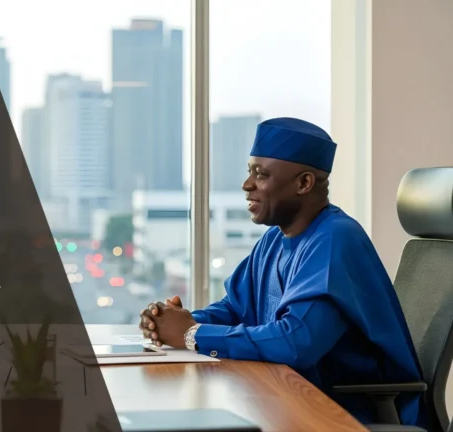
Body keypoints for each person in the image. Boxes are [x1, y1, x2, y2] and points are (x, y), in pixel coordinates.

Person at [139, 118, 425, 427]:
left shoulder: (335, 240)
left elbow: (295, 342)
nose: (246, 185)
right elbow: (236, 308)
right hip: (284, 398)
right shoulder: (275, 238)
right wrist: (173, 322)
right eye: (249, 171)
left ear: (303, 183)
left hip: (338, 410)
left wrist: (191, 335)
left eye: (261, 174)